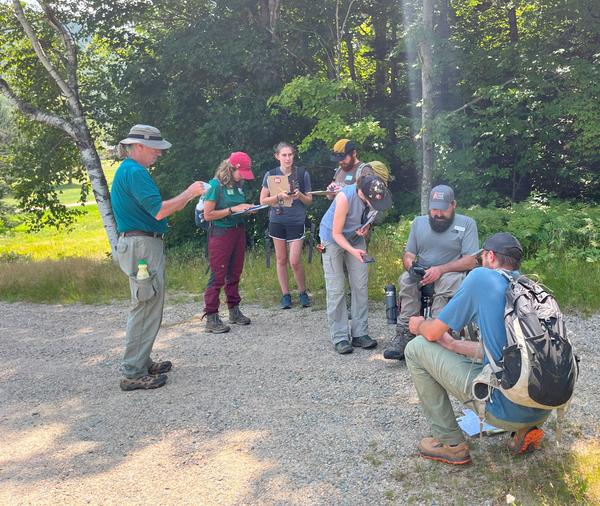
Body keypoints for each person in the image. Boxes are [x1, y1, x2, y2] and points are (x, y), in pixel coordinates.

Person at [404, 232, 549, 465]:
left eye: (481, 257)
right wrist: (453, 345)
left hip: (504, 408)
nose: (480, 262)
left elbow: (432, 333)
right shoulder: (527, 287)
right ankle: (526, 430)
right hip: (542, 403)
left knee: (416, 348)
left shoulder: (482, 278)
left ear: (490, 256)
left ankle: (450, 444)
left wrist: (419, 324)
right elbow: (504, 349)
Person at [112, 124, 206, 391]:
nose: (159, 155)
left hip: (139, 244)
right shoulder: (135, 172)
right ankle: (132, 372)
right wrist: (190, 193)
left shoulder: (130, 171)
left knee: (148, 303)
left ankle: (141, 362)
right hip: (141, 246)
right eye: (156, 149)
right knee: (145, 306)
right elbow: (159, 211)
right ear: (139, 146)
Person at [383, 184, 479, 361]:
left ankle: (435, 333)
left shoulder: (466, 224)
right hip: (423, 272)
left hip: (451, 271)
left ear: (453, 205)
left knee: (448, 282)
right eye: (434, 209)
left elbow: (471, 260)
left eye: (443, 210)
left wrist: (441, 269)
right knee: (406, 279)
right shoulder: (419, 223)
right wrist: (412, 266)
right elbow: (409, 254)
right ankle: (405, 332)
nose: (438, 214)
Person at [319, 175, 393, 354]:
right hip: (332, 239)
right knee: (336, 288)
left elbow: (369, 216)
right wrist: (353, 251)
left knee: (360, 284)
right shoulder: (345, 197)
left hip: (355, 238)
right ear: (362, 193)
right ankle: (340, 337)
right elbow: (336, 234)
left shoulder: (377, 195)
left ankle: (360, 333)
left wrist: (366, 228)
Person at [202, 152, 257, 333]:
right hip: (220, 234)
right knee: (218, 275)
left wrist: (247, 209)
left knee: (235, 273)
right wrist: (233, 209)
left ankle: (234, 311)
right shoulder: (214, 186)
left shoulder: (238, 185)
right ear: (231, 168)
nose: (244, 177)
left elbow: (236, 207)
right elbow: (207, 214)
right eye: (242, 172)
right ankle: (211, 317)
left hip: (237, 231)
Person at [259, 142, 313, 309]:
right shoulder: (271, 174)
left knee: (294, 260)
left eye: (290, 154)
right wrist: (278, 197)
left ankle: (303, 292)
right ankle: (285, 295)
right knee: (281, 259)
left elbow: (309, 200)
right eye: (284, 155)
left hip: (296, 221)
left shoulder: (302, 174)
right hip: (277, 220)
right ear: (277, 156)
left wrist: (300, 196)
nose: (288, 158)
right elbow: (262, 201)